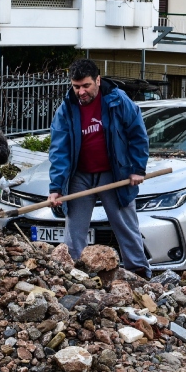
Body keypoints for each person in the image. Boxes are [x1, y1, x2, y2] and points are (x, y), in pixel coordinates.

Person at [48, 59, 151, 277]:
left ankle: (139, 273)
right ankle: (73, 275)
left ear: (97, 80)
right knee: (74, 231)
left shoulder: (117, 100)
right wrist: (56, 187)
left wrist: (137, 169)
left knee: (125, 225)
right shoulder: (67, 109)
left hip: (115, 174)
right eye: (76, 87)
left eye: (86, 86)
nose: (81, 92)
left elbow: (137, 134)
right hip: (80, 176)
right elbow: (59, 150)